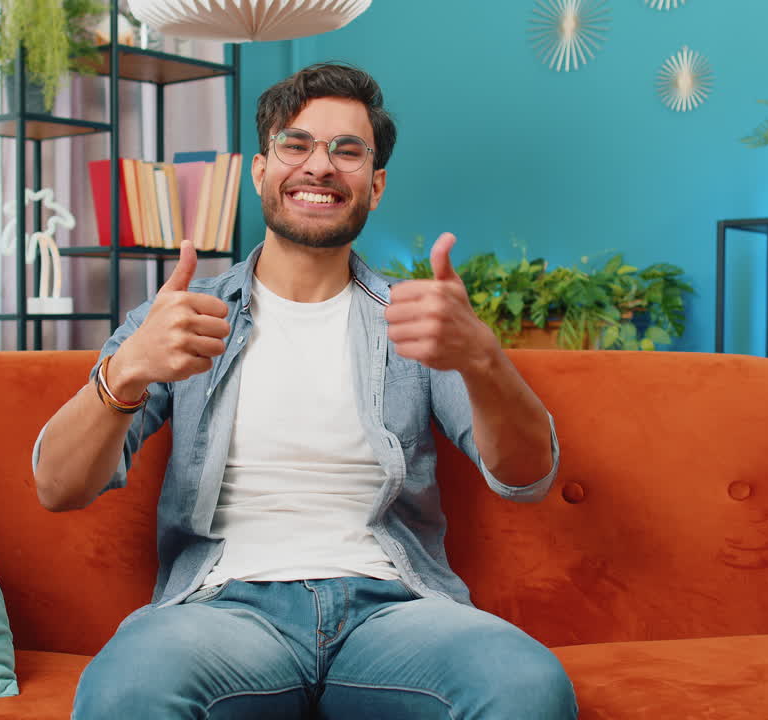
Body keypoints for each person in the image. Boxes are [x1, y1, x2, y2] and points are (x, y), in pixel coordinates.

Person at [33, 62, 577, 719]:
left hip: (393, 612)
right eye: (296, 144)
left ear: (374, 186)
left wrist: (484, 359)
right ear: (260, 170)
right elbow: (57, 487)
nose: (320, 167)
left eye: (347, 151)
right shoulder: (184, 315)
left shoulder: (417, 321)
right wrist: (126, 372)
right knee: (128, 688)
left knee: (525, 685)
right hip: (221, 612)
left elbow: (528, 477)